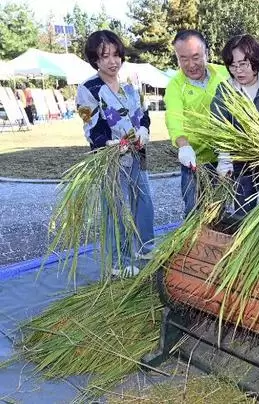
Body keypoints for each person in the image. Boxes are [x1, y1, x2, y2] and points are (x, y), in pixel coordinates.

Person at [76, 30, 155, 274]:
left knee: (144, 201)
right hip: (110, 158)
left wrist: (144, 128)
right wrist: (106, 144)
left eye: (116, 55)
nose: (113, 61)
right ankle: (119, 262)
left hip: (137, 154)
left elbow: (144, 115)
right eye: (104, 56)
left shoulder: (130, 85)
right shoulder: (88, 88)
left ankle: (146, 247)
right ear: (95, 60)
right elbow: (89, 124)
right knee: (116, 208)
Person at [211, 34, 259, 212]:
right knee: (242, 212)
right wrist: (224, 157)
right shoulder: (225, 90)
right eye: (232, 66)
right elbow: (218, 124)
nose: (238, 71)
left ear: (255, 61)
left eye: (243, 64)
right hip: (241, 163)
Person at [164, 29, 226, 217]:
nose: (191, 65)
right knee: (194, 211)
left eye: (196, 57)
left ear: (207, 53)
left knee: (220, 213)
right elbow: (174, 119)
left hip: (226, 158)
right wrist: (183, 146)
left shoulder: (224, 74)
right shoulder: (175, 85)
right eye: (183, 59)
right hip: (194, 160)